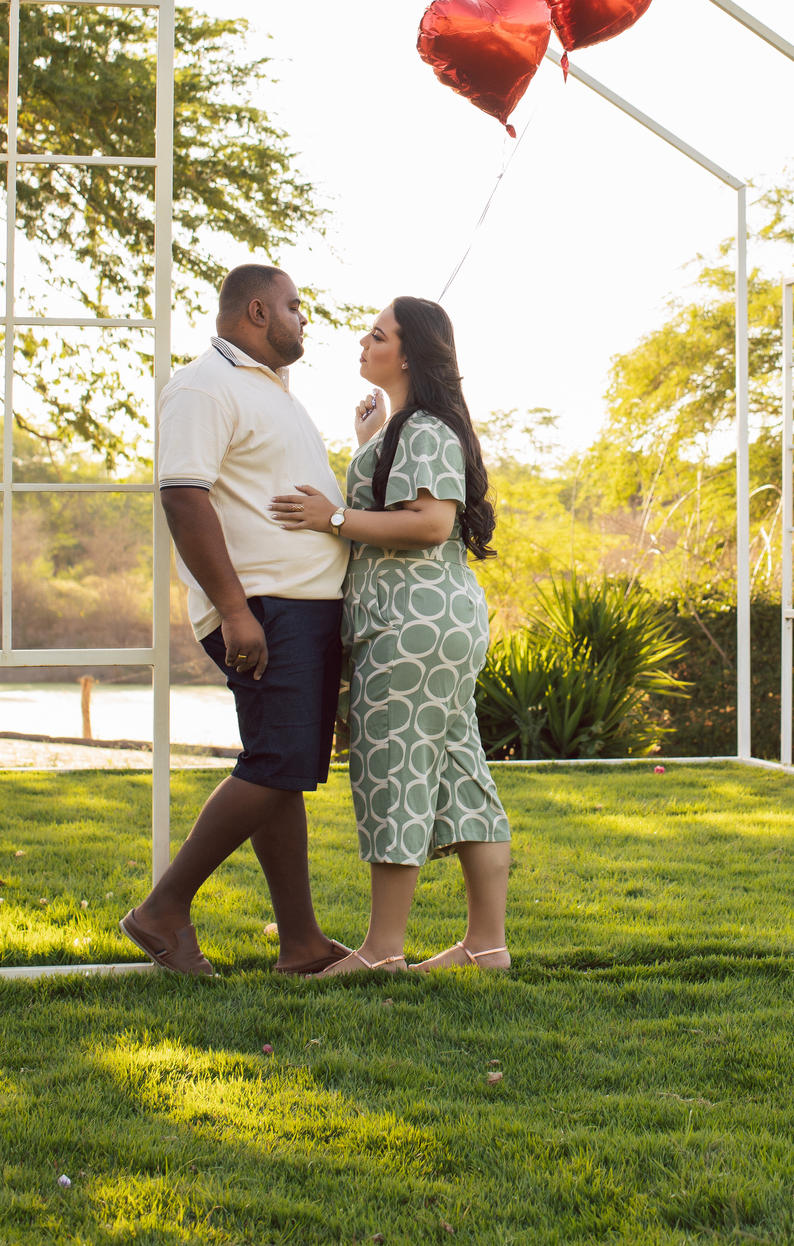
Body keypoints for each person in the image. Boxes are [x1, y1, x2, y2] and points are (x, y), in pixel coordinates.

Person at [120, 264, 351, 977]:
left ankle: (301, 943)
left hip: (299, 607)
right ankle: (162, 910)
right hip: (263, 609)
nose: (303, 319)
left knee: (282, 770)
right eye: (294, 306)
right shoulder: (203, 385)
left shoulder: (272, 389)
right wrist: (232, 609)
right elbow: (183, 496)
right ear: (257, 311)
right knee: (277, 764)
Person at [269, 296, 511, 975]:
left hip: (408, 626)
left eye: (377, 335)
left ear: (408, 354)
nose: (363, 342)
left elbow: (430, 523)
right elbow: (401, 505)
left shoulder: (425, 429)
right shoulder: (412, 428)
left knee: (394, 771)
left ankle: (381, 952)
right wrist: (372, 440)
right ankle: (486, 948)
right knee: (461, 776)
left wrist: (331, 518)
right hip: (435, 622)